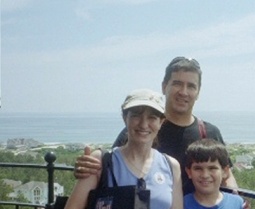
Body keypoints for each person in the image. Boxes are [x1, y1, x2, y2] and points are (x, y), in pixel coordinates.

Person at [74, 56, 238, 196]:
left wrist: (236, 200)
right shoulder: (143, 130)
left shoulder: (209, 132)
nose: (183, 92)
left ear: (198, 92)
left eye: (191, 86)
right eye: (177, 83)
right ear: (164, 86)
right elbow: (111, 168)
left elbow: (226, 175)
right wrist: (88, 170)